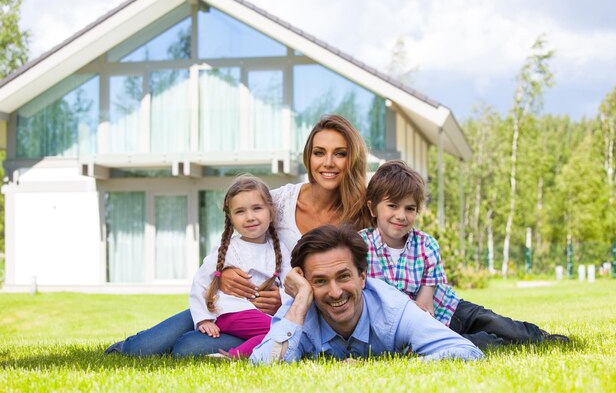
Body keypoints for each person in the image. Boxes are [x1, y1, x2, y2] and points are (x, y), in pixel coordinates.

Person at [105, 114, 369, 357]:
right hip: (236, 305)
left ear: (352, 158)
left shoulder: (360, 216)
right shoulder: (279, 202)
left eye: (340, 154)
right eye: (319, 153)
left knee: (187, 348)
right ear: (308, 158)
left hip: (286, 317)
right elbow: (241, 230)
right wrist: (225, 272)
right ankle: (126, 348)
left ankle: (200, 344)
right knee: (181, 327)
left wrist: (288, 299)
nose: (328, 163)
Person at [359, 160, 570, 349]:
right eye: (392, 206)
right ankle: (492, 342)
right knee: (484, 344)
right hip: (416, 331)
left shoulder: (426, 245)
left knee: (495, 322)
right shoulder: (360, 247)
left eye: (410, 208)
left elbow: (425, 306)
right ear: (373, 208)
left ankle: (541, 338)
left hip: (449, 310)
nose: (401, 216)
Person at [107, 175, 291, 357]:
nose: (249, 217)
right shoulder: (229, 248)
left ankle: (227, 352)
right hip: (231, 312)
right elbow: (201, 282)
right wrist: (204, 318)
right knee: (281, 330)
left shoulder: (279, 249)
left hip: (255, 318)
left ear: (271, 211)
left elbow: (291, 285)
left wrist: (281, 300)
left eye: (257, 208)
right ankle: (235, 355)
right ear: (231, 218)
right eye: (240, 211)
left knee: (279, 329)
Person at [250, 225, 484, 363]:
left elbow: (468, 352)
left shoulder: (393, 309)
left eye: (343, 276)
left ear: (362, 276)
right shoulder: (297, 310)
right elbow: (263, 366)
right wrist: (301, 299)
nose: (335, 292)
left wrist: (391, 368)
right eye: (320, 281)